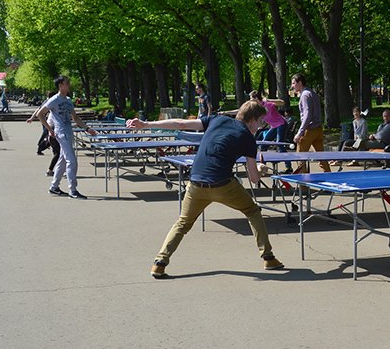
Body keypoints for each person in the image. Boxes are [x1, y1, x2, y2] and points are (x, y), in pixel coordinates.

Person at [126, 100, 285, 278]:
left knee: (182, 223)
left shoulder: (216, 119)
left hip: (196, 184)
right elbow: (254, 179)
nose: (262, 126)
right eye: (261, 121)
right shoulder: (248, 138)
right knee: (252, 211)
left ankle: (160, 263)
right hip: (223, 185)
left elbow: (180, 123)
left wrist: (146, 124)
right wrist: (261, 170)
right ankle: (268, 257)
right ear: (252, 119)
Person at [36, 75, 97, 199]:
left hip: (68, 131)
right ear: (60, 86)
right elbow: (39, 114)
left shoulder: (68, 101)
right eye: (67, 83)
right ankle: (73, 190)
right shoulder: (54, 100)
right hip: (61, 132)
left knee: (63, 160)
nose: (69, 85)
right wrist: (50, 129)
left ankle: (54, 187)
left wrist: (87, 128)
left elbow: (75, 118)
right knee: (72, 161)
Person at [292, 73, 331, 172]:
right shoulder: (313, 93)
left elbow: (307, 115)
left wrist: (299, 133)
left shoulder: (305, 95)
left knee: (301, 157)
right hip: (318, 129)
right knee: (321, 158)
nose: (292, 86)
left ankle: (303, 186)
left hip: (309, 130)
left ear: (299, 83)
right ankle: (330, 180)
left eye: (293, 83)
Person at [250, 89, 292, 173]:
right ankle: (263, 167)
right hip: (274, 126)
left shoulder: (267, 104)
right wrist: (225, 112)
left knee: (279, 144)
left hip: (281, 124)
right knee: (263, 144)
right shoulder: (258, 109)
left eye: (251, 98)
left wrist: (269, 100)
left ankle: (288, 167)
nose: (250, 101)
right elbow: (241, 112)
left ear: (256, 99)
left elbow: (282, 102)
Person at [28, 107, 61, 176]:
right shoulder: (54, 112)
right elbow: (39, 113)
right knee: (59, 153)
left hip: (53, 132)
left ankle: (52, 170)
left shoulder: (54, 111)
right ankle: (51, 170)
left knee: (59, 153)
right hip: (52, 133)